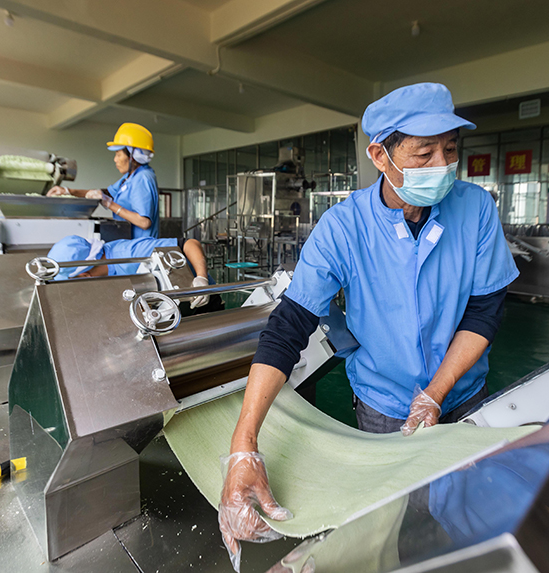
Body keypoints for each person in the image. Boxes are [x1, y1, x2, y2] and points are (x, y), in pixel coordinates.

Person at [217, 83, 520, 568]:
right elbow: (289, 326)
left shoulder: (476, 209)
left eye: (450, 149)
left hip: (464, 393)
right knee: (394, 517)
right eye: (424, 153)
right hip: (384, 403)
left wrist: (437, 392)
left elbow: (485, 311)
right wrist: (243, 446)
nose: (442, 164)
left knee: (469, 505)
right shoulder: (343, 228)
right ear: (380, 155)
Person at [47, 123, 160, 238]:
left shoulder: (143, 177)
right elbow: (106, 193)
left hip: (141, 245)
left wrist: (110, 204)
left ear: (133, 156)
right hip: (129, 242)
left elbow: (144, 222)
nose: (115, 159)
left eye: (118, 155)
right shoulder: (130, 176)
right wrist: (68, 191)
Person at [46, 235, 212, 309]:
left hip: (199, 299)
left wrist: (201, 279)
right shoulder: (105, 275)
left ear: (84, 275)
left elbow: (189, 243)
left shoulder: (129, 253)